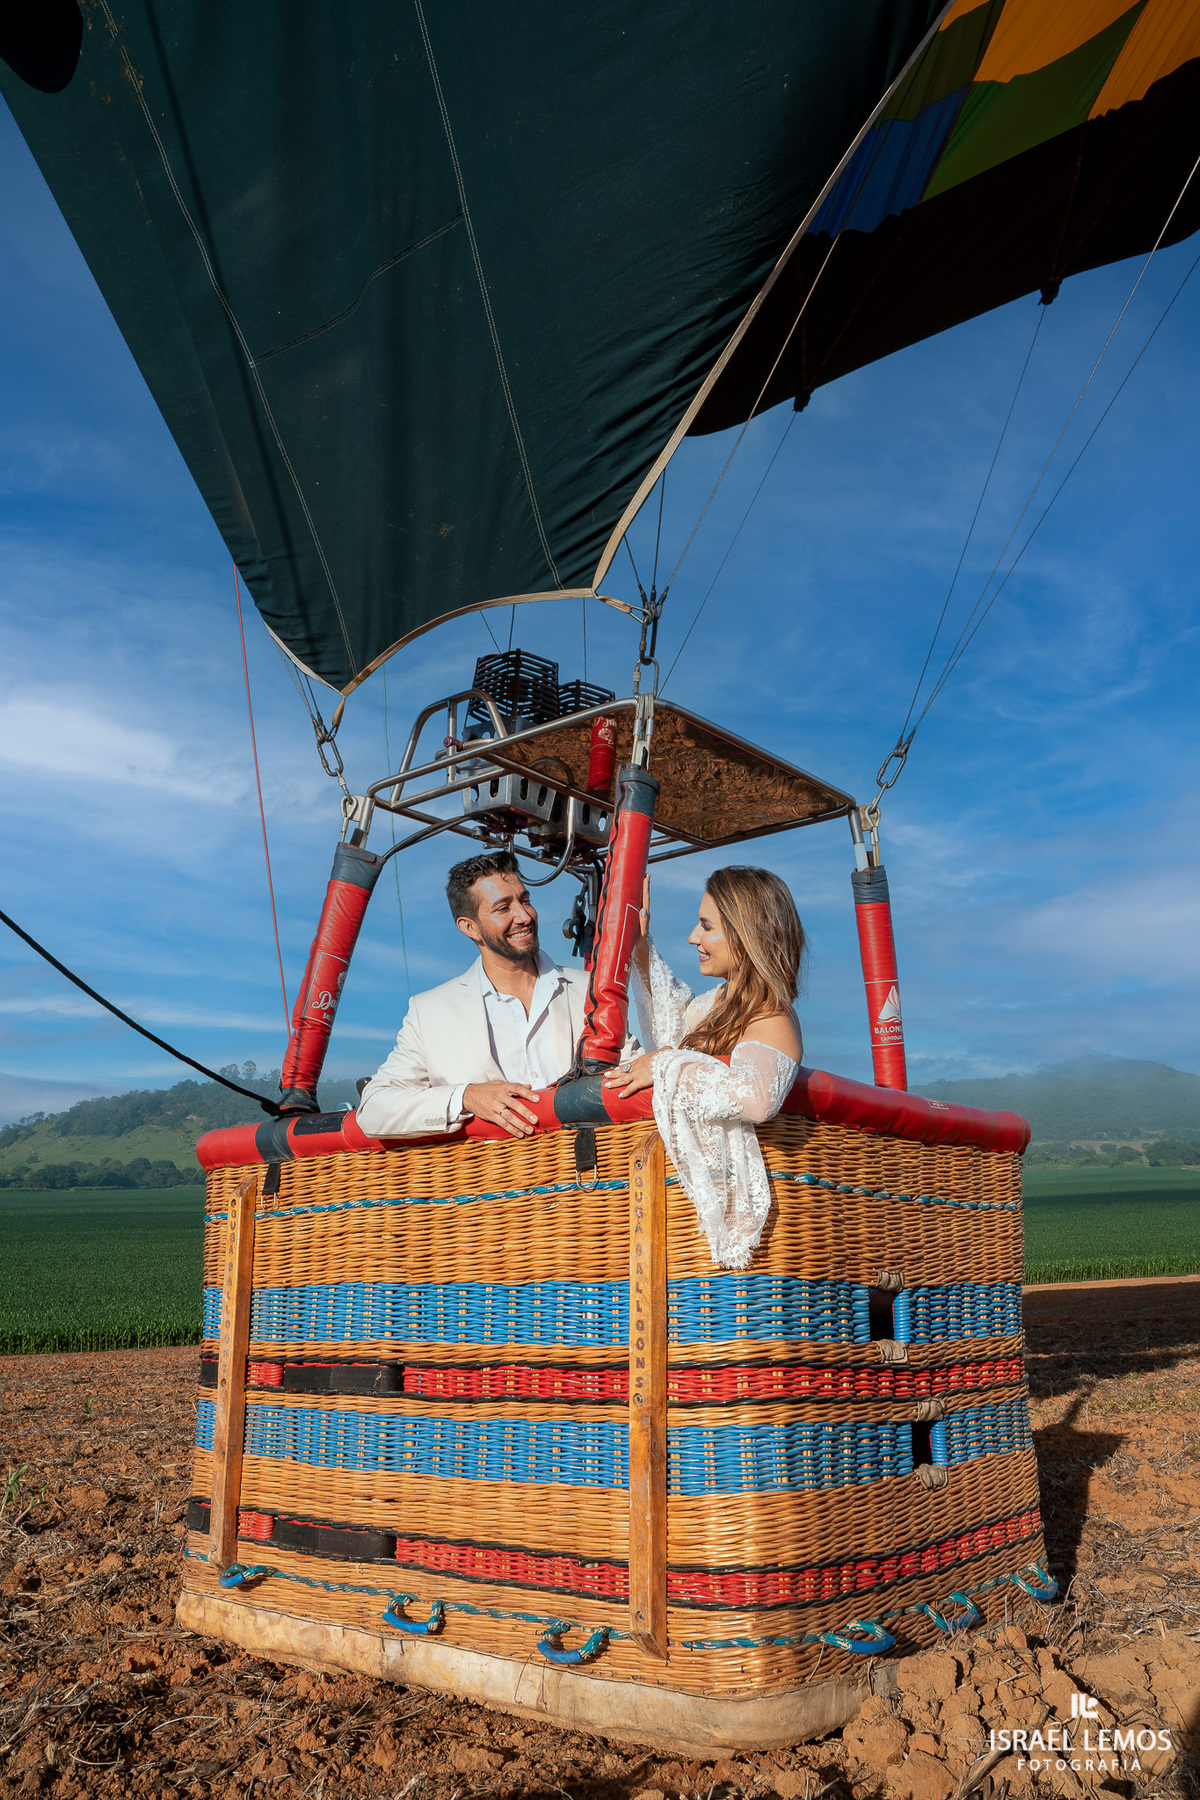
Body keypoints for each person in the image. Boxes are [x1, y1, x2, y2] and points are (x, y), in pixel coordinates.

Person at [356, 849, 638, 1139]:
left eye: (524, 900)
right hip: (491, 1178)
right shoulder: (429, 1012)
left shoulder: (591, 989)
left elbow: (636, 1070)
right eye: (503, 908)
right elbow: (374, 1109)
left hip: (594, 1174)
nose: (524, 916)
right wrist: (465, 1097)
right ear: (470, 927)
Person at [605, 866, 804, 1269]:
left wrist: (663, 1064)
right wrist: (642, 949)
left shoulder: (773, 1019)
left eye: (706, 926)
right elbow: (672, 1029)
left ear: (746, 936)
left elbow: (756, 1099)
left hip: (758, 1245)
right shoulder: (717, 1005)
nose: (694, 937)